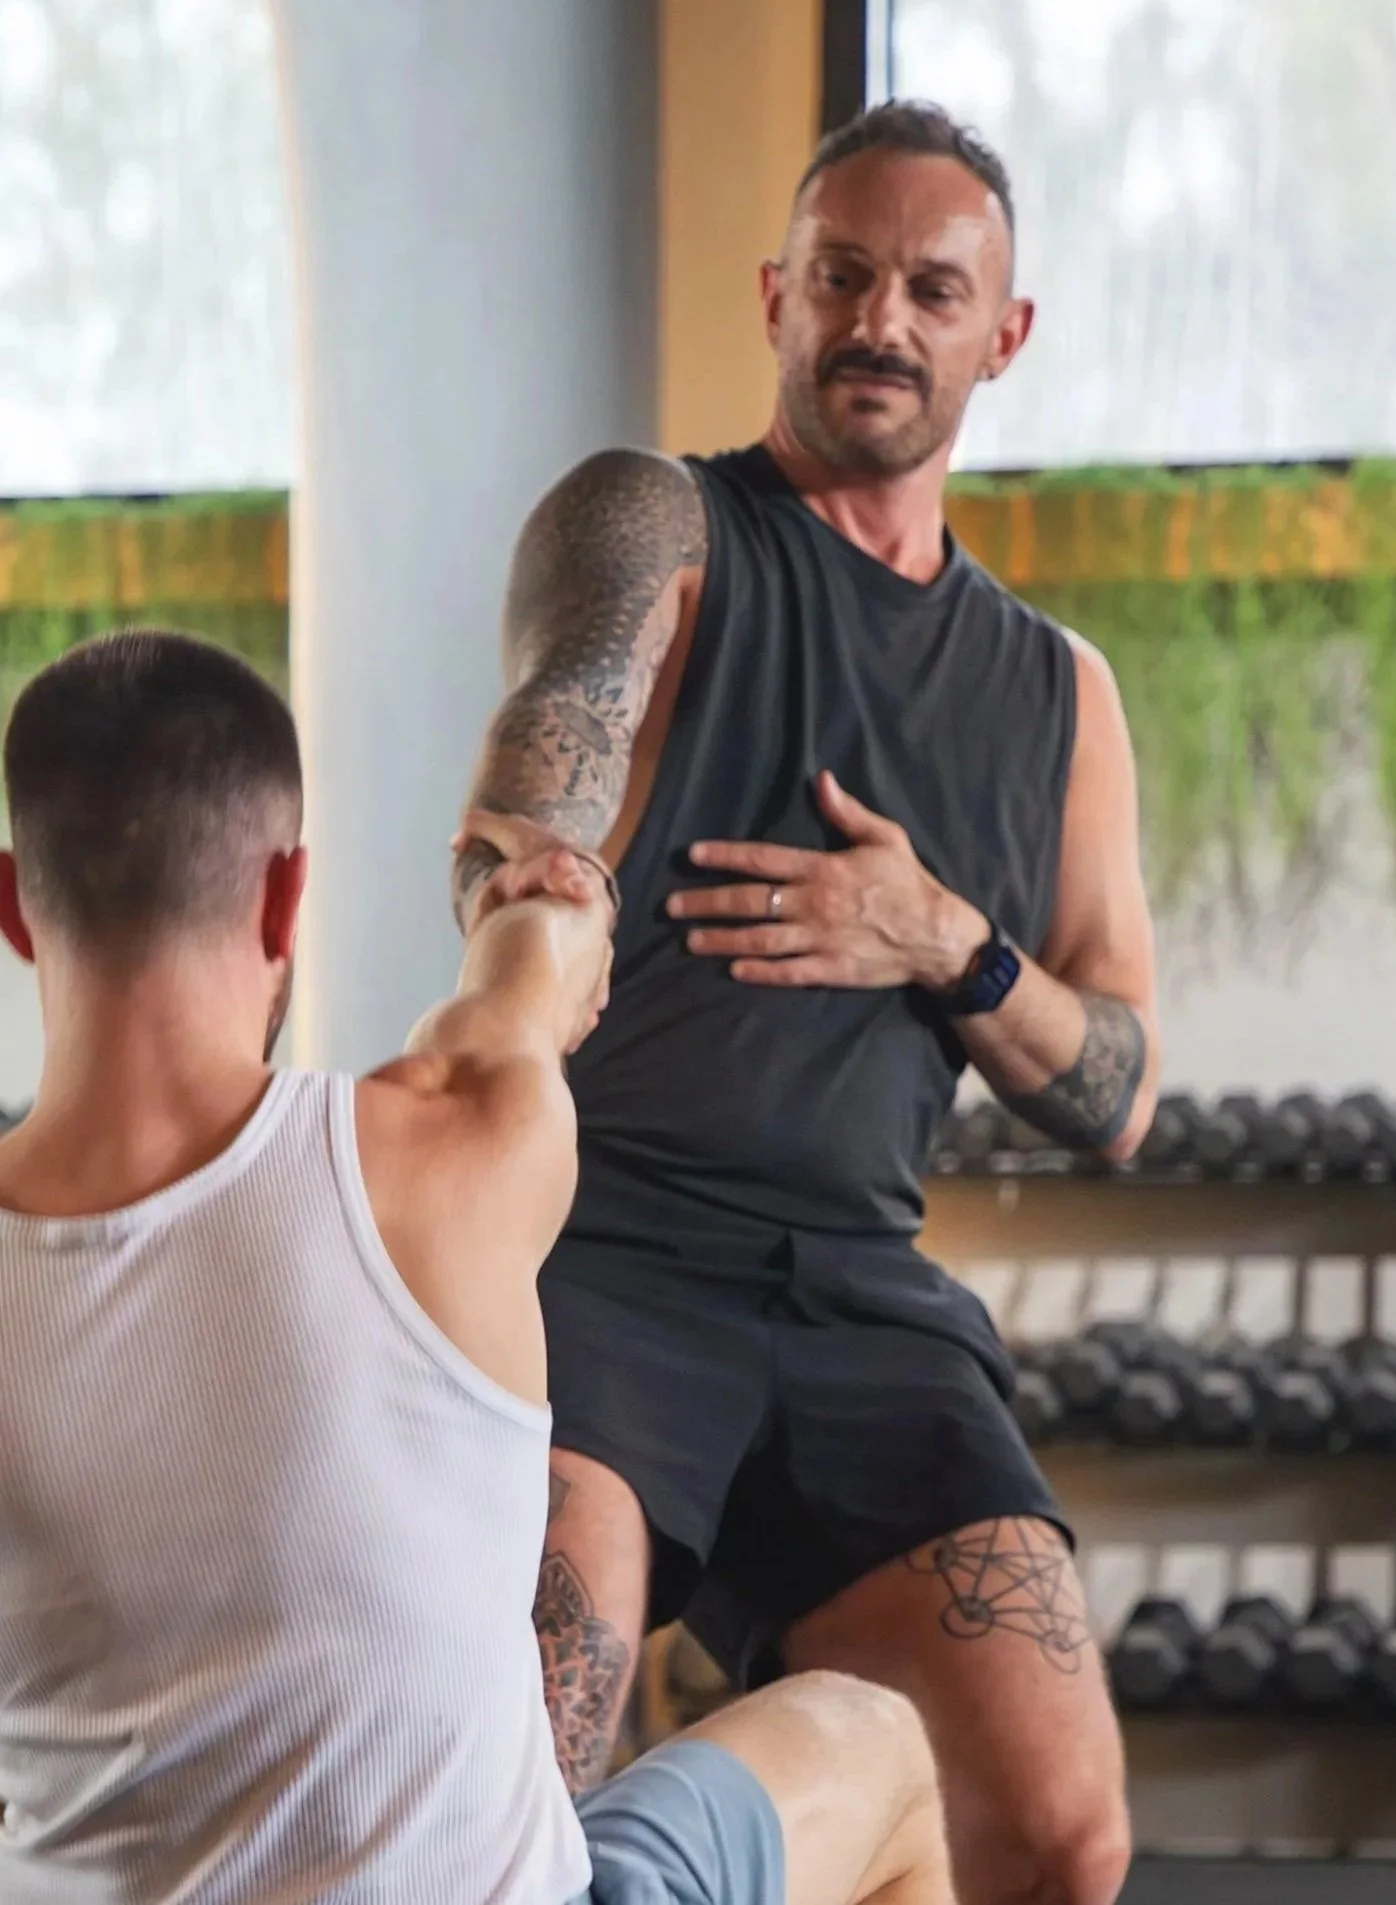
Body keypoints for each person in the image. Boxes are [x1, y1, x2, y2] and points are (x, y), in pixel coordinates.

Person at [453, 99, 1160, 1905]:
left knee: (1063, 1829)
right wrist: (531, 895)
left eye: (936, 289)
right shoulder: (659, 522)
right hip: (601, 1248)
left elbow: (1121, 1082)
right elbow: (543, 773)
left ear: (1004, 335)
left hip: (858, 1285)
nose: (882, 320)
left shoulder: (1059, 694)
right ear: (778, 293)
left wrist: (949, 941)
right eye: (844, 275)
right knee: (526, 1749)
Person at [0, 629, 953, 1905]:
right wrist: (556, 891)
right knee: (877, 1739)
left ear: (13, 906)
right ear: (288, 895)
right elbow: (532, 981)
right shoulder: (450, 1149)